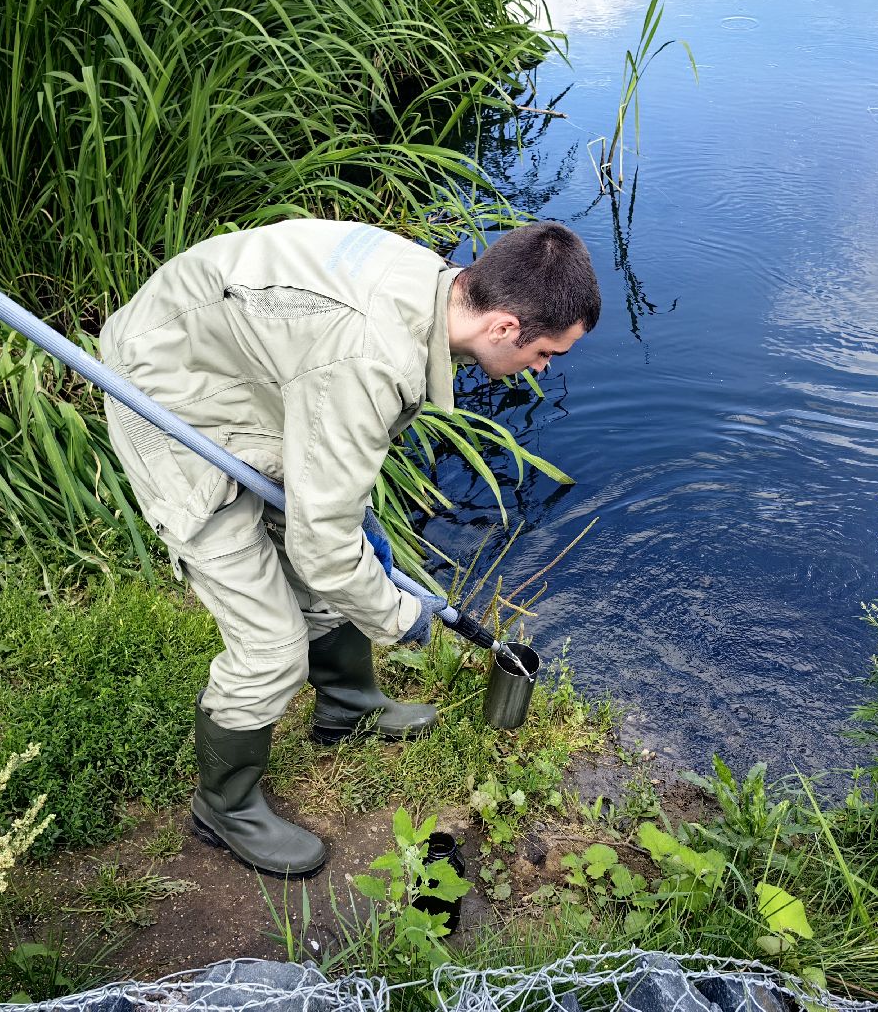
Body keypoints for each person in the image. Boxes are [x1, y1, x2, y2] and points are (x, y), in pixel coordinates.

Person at [98, 218, 600, 877]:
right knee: (271, 647)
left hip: (242, 369)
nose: (540, 369)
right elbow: (326, 551)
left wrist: (346, 521)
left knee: (336, 538)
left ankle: (346, 706)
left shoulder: (435, 290)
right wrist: (404, 618)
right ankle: (222, 806)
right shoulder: (370, 356)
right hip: (167, 390)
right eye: (547, 354)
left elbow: (332, 476)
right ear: (504, 325)